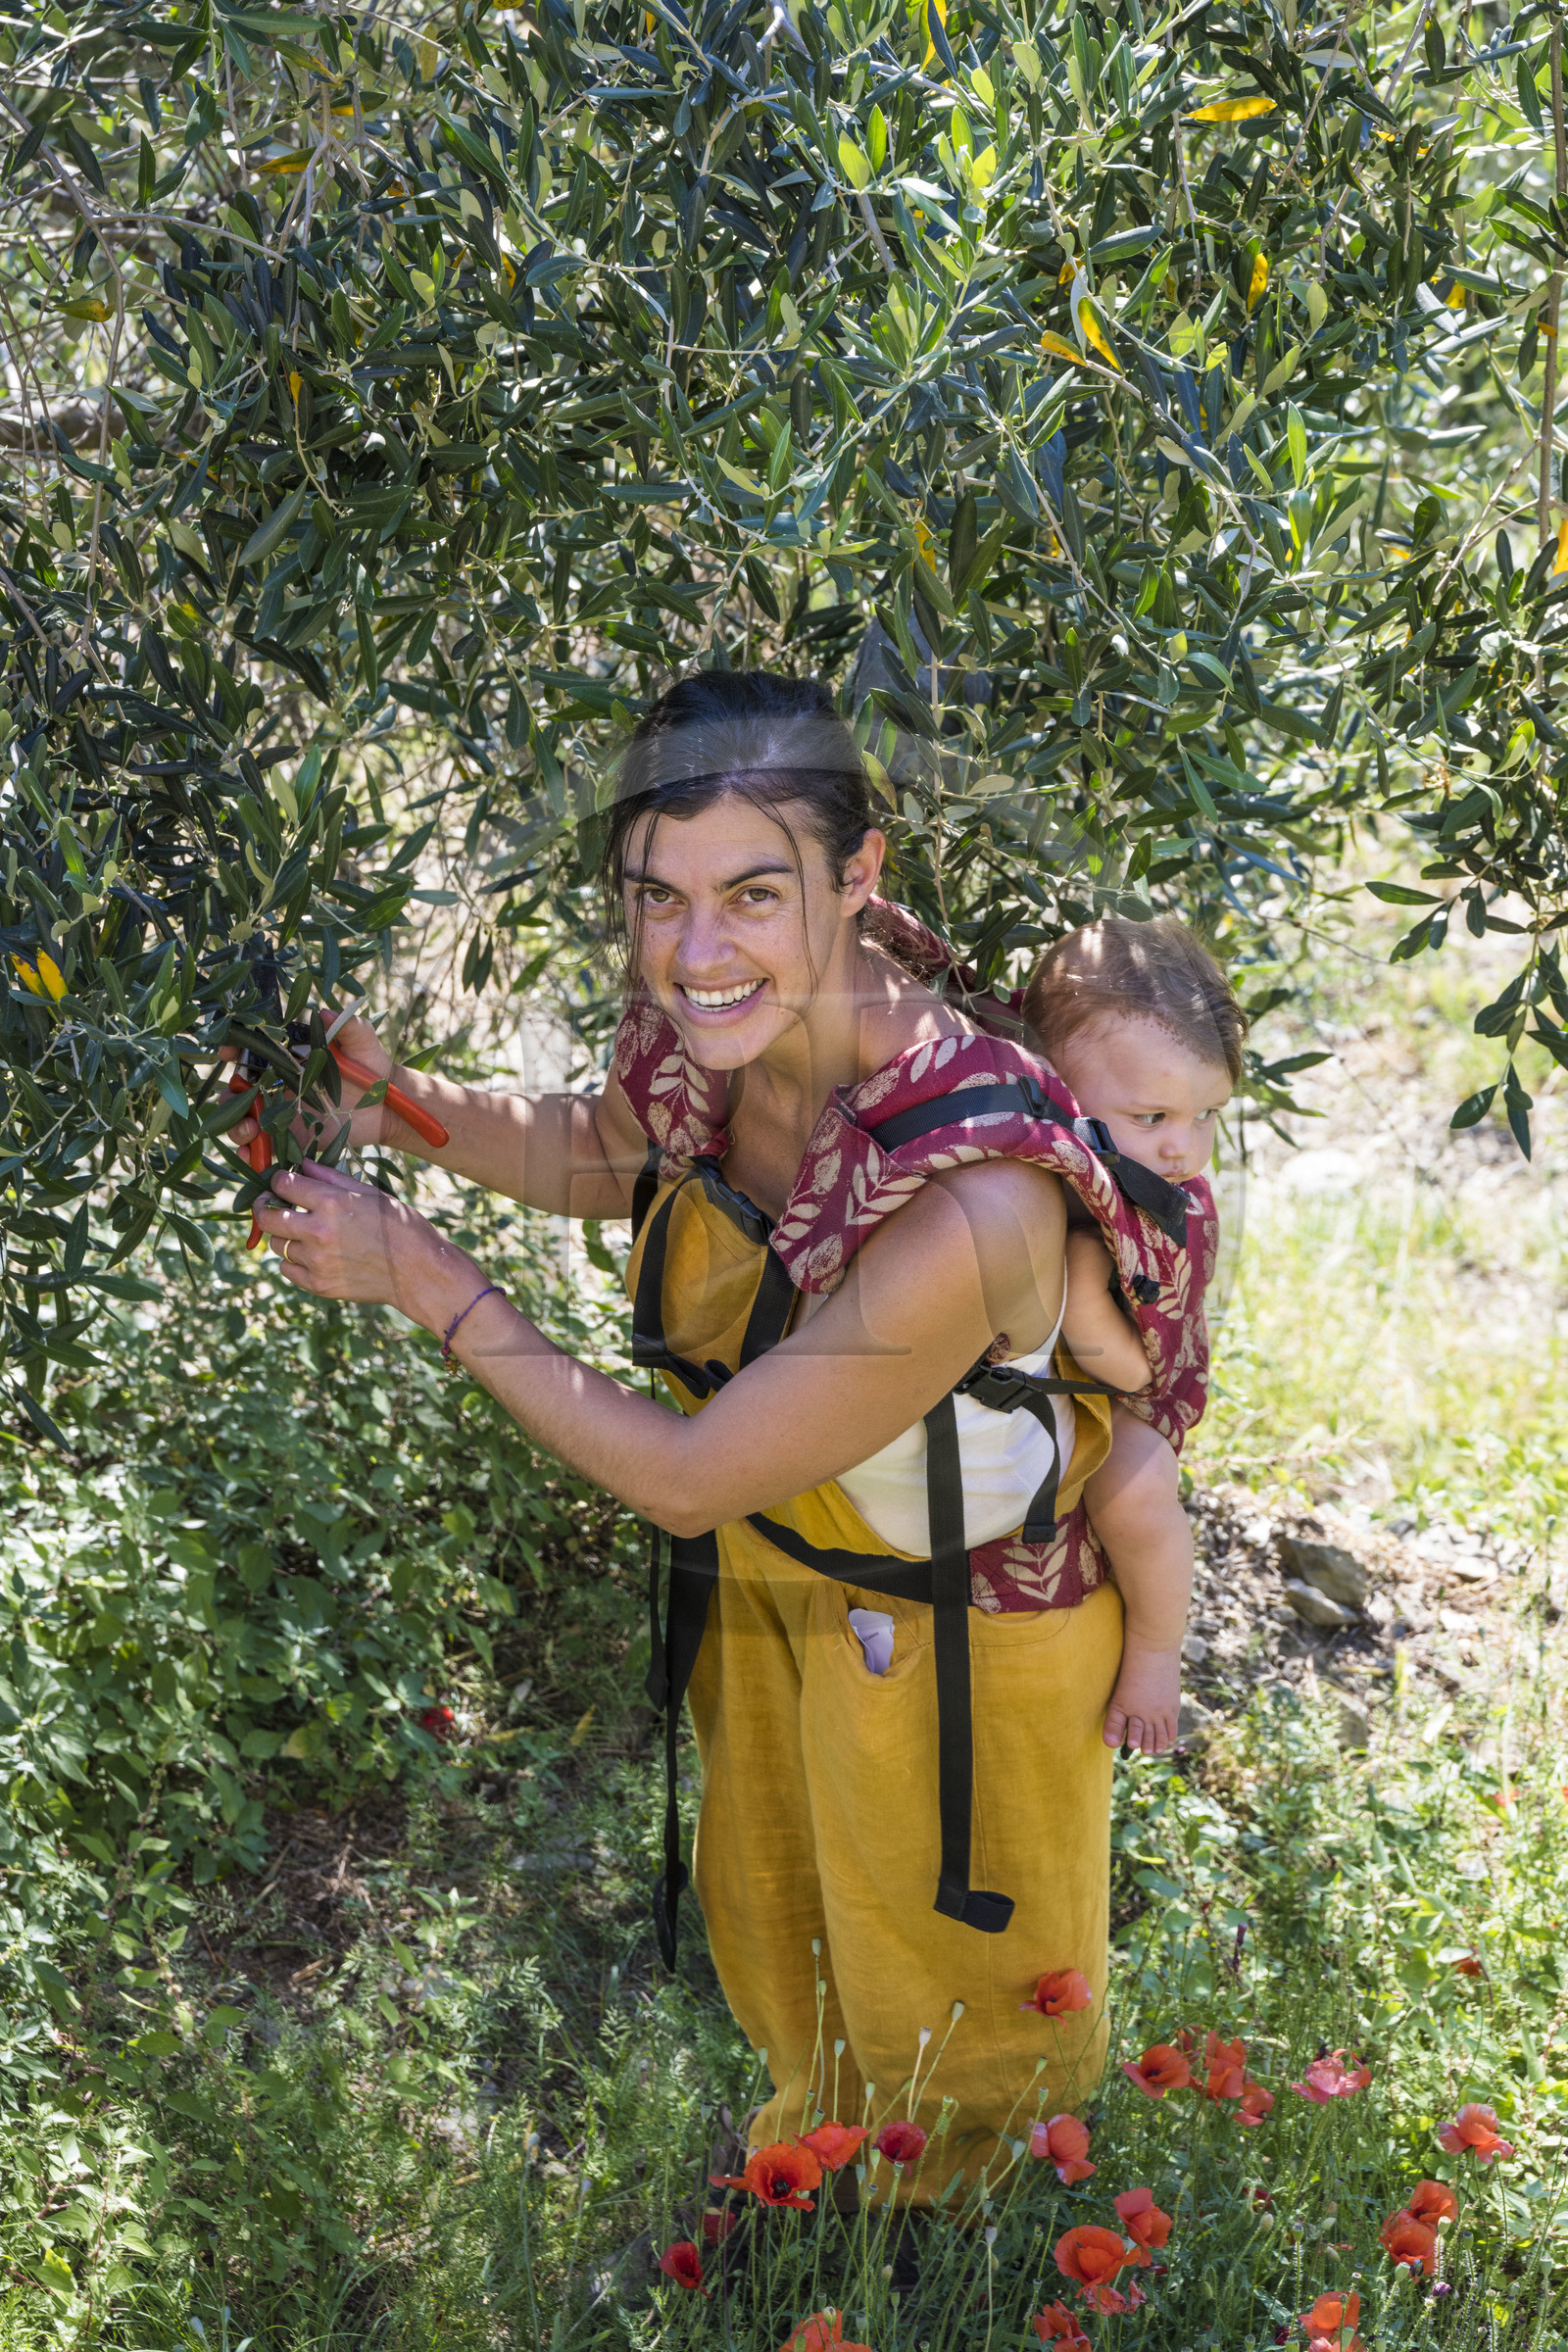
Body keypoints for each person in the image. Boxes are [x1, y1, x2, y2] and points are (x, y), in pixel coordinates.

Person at [232, 673, 1189, 2199]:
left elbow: (684, 1476)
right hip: (790, 1565)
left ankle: (968, 2254)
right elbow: (612, 1147)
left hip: (957, 1637)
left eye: (752, 894)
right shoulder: (724, 1034)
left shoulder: (979, 1197)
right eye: (656, 898)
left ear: (859, 874)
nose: (693, 953)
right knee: (788, 1920)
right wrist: (392, 1109)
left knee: (957, 2002)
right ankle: (814, 2194)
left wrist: (420, 1273)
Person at [1021, 920, 1245, 1757]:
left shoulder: (1162, 1202)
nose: (1184, 1146)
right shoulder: (1043, 1163)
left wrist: (1082, 1299)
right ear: (1055, 1091)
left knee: (1137, 1489)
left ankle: (1156, 1651)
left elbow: (1130, 1374)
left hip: (1130, 1394)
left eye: (1207, 1115)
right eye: (1152, 1116)